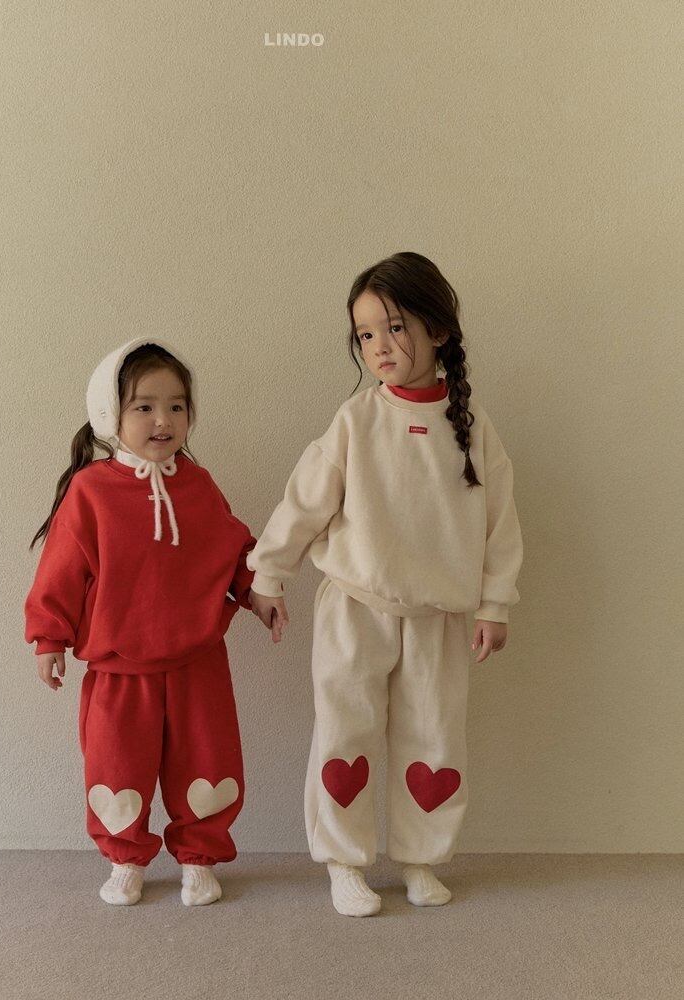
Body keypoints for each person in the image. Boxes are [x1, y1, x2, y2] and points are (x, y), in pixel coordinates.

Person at [248, 252, 523, 916]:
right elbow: (306, 501)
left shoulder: (473, 428)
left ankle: (421, 858)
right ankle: (345, 862)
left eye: (395, 328)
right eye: (366, 334)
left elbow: (500, 523)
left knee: (435, 736)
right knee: (346, 732)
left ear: (438, 330)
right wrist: (269, 573)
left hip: (439, 616)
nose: (379, 346)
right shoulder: (356, 420)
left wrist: (495, 603)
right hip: (355, 607)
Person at [25, 337, 257, 908]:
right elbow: (62, 569)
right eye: (145, 406)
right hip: (118, 666)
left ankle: (199, 857)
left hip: (198, 662)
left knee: (208, 759)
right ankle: (125, 857)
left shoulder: (198, 485)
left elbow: (233, 549)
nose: (163, 420)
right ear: (111, 414)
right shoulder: (91, 491)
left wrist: (259, 592)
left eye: (176, 406)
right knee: (116, 763)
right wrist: (49, 637)